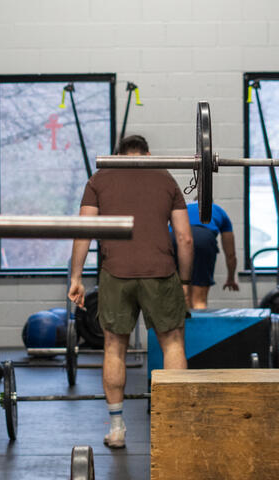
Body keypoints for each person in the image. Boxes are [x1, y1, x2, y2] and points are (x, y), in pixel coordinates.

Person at [69, 134, 193, 448]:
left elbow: (83, 231)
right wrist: (186, 281)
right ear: (148, 154)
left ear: (117, 154)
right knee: (173, 344)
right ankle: (175, 428)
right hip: (160, 272)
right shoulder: (165, 177)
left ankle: (117, 429)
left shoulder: (99, 179)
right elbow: (185, 238)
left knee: (114, 348)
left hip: (116, 272)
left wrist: (76, 277)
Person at [177, 201, 238, 309]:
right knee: (199, 300)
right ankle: (197, 325)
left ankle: (185, 325)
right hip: (202, 238)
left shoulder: (183, 208)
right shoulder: (218, 210)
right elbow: (230, 254)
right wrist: (231, 278)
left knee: (182, 298)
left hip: (176, 238)